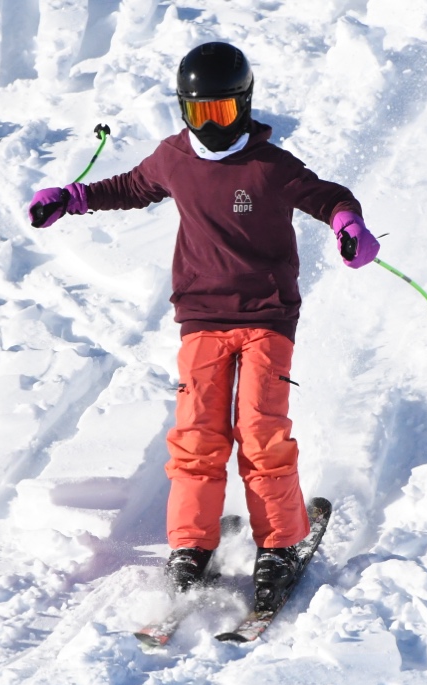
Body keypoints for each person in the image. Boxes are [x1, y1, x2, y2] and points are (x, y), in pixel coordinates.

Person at [27, 41, 379, 599]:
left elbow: (326, 196)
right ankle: (191, 546)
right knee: (197, 437)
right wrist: (71, 198)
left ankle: (281, 543)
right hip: (201, 318)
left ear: (242, 105)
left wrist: (347, 224)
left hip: (266, 316)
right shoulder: (175, 157)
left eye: (219, 111)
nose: (207, 125)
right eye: (197, 112)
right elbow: (129, 187)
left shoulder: (270, 167)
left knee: (260, 432)